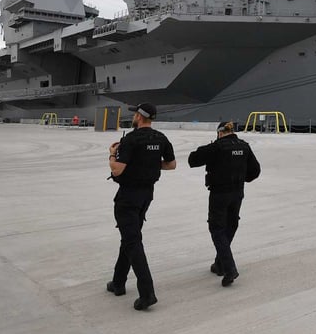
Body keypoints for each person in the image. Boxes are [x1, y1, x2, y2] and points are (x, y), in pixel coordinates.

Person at [106, 102, 176, 310]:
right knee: (130, 238)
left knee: (133, 241)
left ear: (139, 116)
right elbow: (171, 165)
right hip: (146, 196)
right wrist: (151, 163)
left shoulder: (130, 139)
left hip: (128, 197)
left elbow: (117, 170)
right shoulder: (161, 138)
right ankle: (118, 282)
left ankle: (147, 293)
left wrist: (112, 153)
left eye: (135, 114)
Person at [188, 120, 260, 287]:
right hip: (237, 192)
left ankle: (229, 268)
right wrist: (242, 178)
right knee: (231, 225)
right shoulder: (244, 146)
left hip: (219, 193)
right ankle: (220, 263)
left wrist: (209, 148)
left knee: (217, 228)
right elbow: (255, 171)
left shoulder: (217, 147)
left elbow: (193, 160)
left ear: (220, 133)